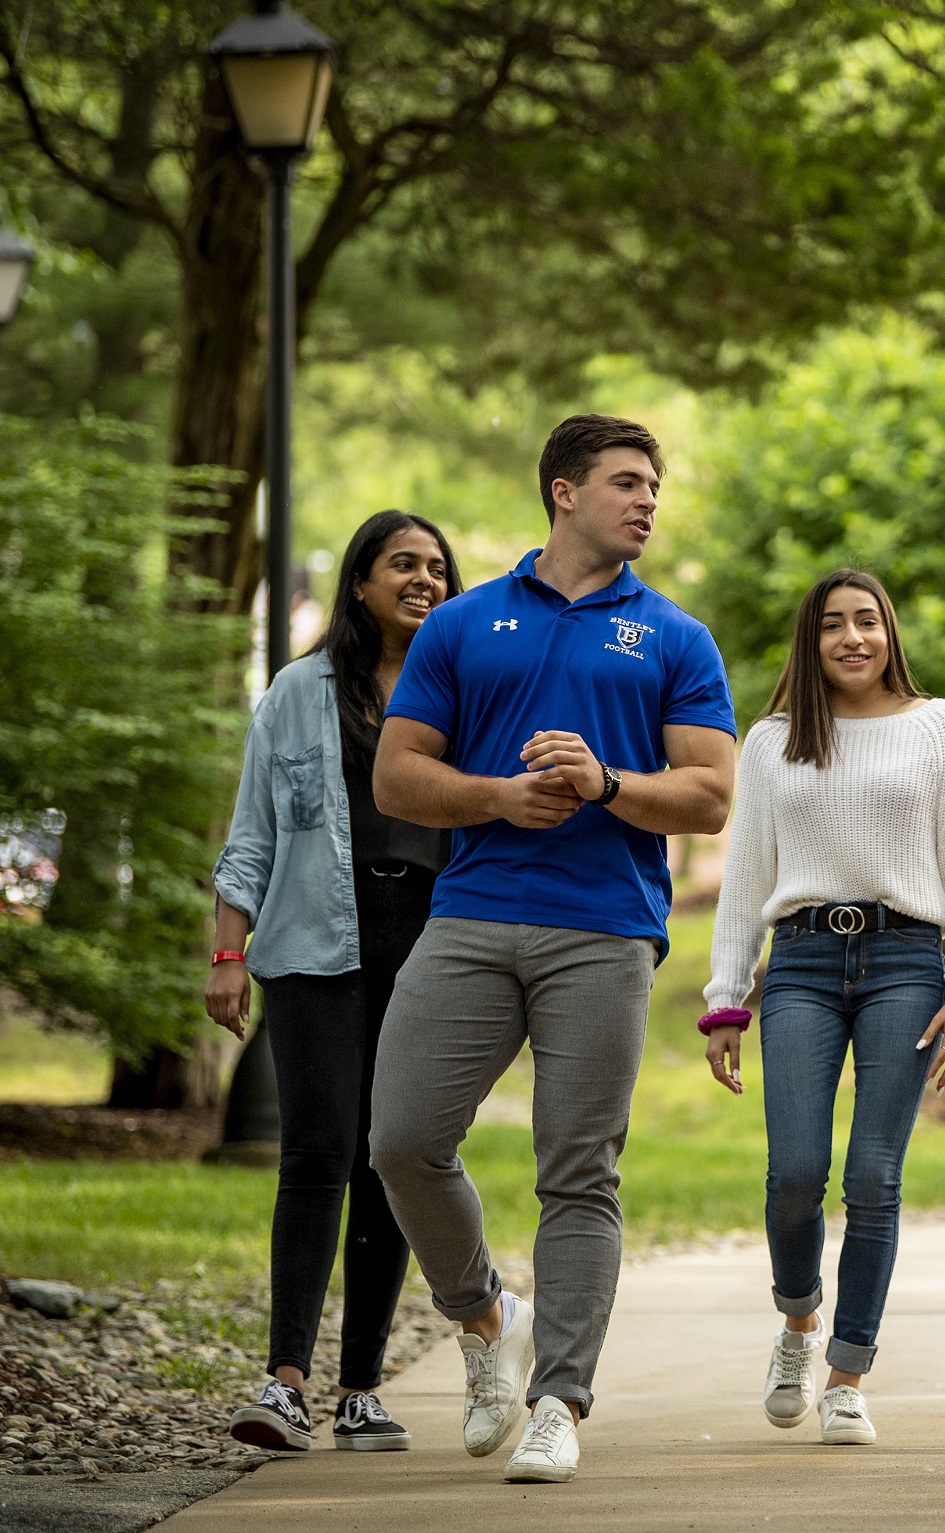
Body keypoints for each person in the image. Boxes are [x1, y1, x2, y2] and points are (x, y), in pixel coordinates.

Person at [367, 414, 738, 1485]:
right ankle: (486, 1317)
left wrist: (607, 783)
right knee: (402, 1138)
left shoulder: (674, 636)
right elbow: (398, 778)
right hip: (473, 912)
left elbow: (709, 796)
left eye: (654, 488)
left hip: (606, 931)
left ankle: (558, 1398)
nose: (647, 503)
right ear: (563, 492)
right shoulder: (465, 623)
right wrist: (497, 797)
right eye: (627, 483)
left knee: (578, 1172)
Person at [700, 569, 945, 1448]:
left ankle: (847, 1373)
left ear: (889, 631)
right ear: (812, 639)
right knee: (795, 1171)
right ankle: (797, 1323)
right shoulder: (773, 741)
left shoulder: (940, 729)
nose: (852, 637)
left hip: (906, 959)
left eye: (867, 620)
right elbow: (745, 873)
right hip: (798, 961)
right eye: (833, 624)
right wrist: (727, 998)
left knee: (874, 1175)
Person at [209, 510, 465, 1454]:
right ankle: (285, 1384)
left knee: (388, 1158)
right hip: (316, 939)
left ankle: (361, 1389)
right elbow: (255, 831)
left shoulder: (465, 691)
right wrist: (228, 951)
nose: (424, 579)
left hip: (431, 941)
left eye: (438, 567)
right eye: (403, 564)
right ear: (360, 582)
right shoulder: (297, 691)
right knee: (315, 1156)